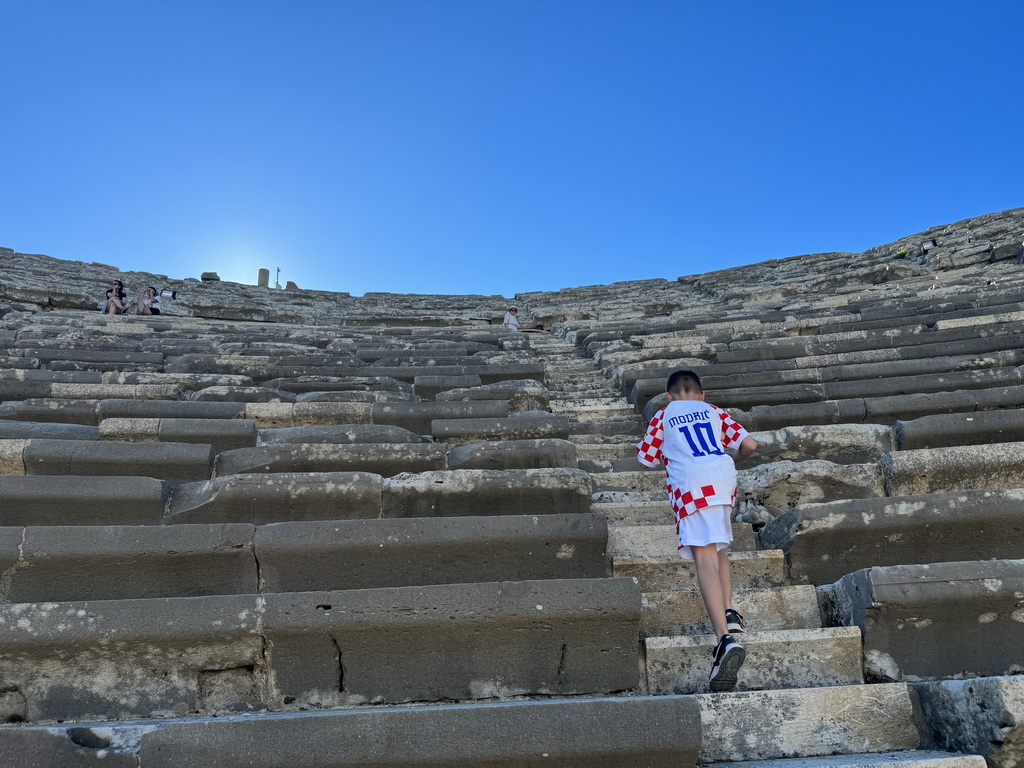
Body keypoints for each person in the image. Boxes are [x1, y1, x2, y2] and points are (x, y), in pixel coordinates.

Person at [636, 369, 757, 692]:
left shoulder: (664, 415)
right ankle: (730, 611)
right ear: (702, 395)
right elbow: (749, 443)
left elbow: (646, 458)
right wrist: (733, 460)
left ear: (669, 396)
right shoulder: (714, 410)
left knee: (703, 557)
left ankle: (723, 640)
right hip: (722, 478)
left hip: (691, 485)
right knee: (718, 548)